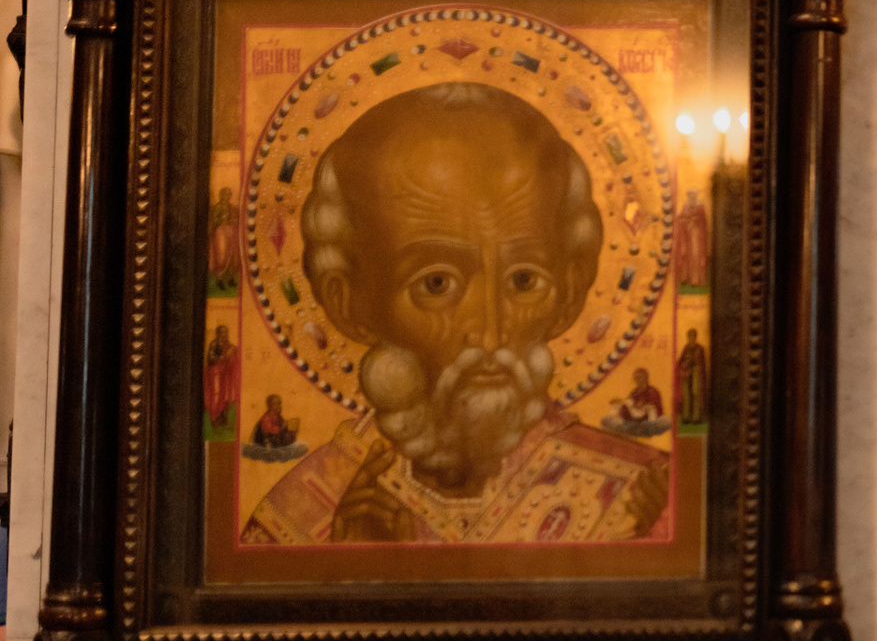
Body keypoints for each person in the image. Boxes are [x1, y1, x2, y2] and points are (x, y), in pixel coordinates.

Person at [242, 82, 670, 545]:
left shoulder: (640, 498)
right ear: (351, 304)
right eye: (436, 284)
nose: (489, 333)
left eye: (523, 281)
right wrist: (348, 563)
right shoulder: (300, 519)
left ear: (568, 294)